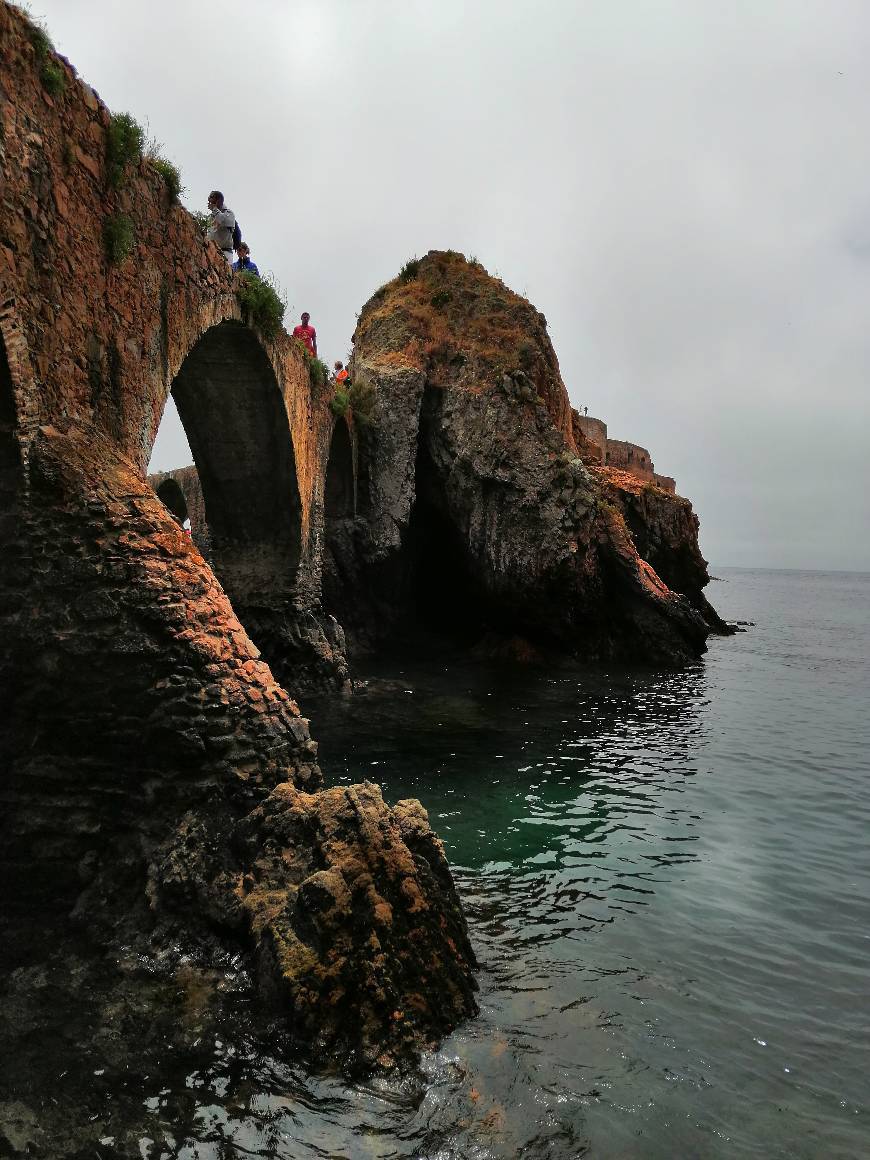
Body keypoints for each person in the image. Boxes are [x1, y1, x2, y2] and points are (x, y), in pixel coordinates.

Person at [206, 190, 236, 265]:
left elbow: (222, 221)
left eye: (211, 198)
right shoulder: (211, 216)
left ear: (219, 200)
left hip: (225, 252)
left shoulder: (229, 213)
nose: (209, 201)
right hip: (211, 250)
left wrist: (215, 210)